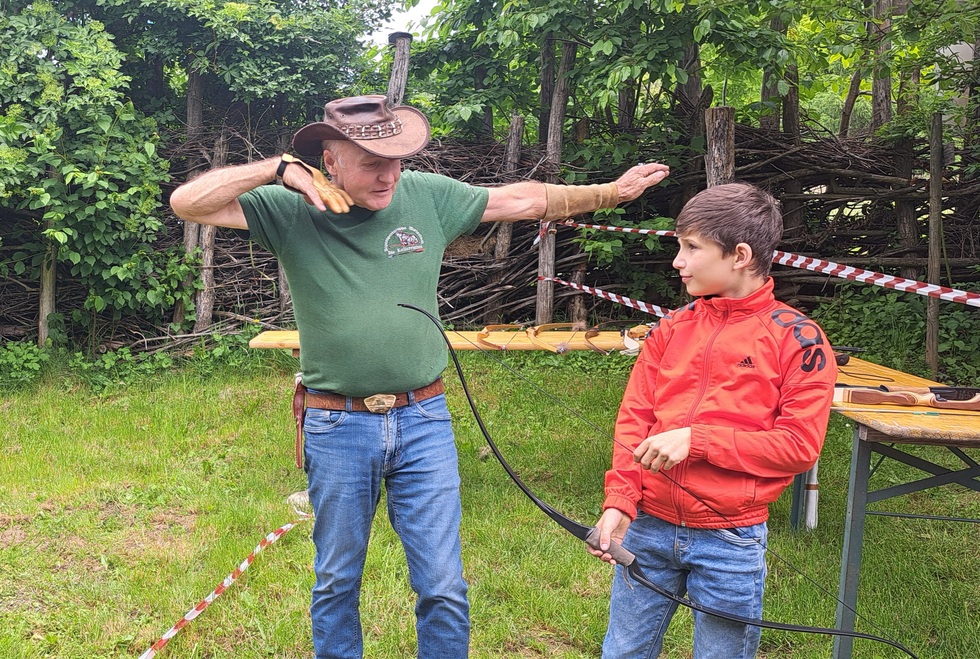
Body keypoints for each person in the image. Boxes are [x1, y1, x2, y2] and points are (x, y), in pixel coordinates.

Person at [169, 94, 669, 659]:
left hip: (424, 419)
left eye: (397, 159)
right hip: (336, 425)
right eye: (371, 162)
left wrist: (610, 193)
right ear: (329, 161)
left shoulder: (425, 196)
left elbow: (519, 199)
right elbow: (189, 203)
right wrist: (274, 170)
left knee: (443, 585)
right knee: (337, 581)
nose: (389, 175)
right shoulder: (290, 209)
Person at [587, 182, 837, 659]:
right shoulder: (671, 328)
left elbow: (798, 447)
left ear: (739, 254)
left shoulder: (799, 339)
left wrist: (698, 440)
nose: (678, 261)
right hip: (648, 528)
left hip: (731, 538)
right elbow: (634, 422)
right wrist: (620, 500)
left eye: (691, 247)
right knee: (622, 652)